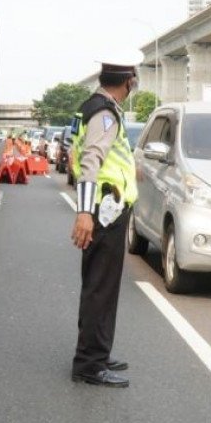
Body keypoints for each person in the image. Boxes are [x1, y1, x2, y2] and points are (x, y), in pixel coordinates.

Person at [70, 49, 143, 388]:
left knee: (101, 286)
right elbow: (90, 164)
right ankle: (89, 364)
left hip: (106, 208)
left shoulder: (97, 107)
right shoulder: (105, 115)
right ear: (129, 82)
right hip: (104, 211)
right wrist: (85, 213)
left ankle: (97, 352)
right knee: (101, 288)